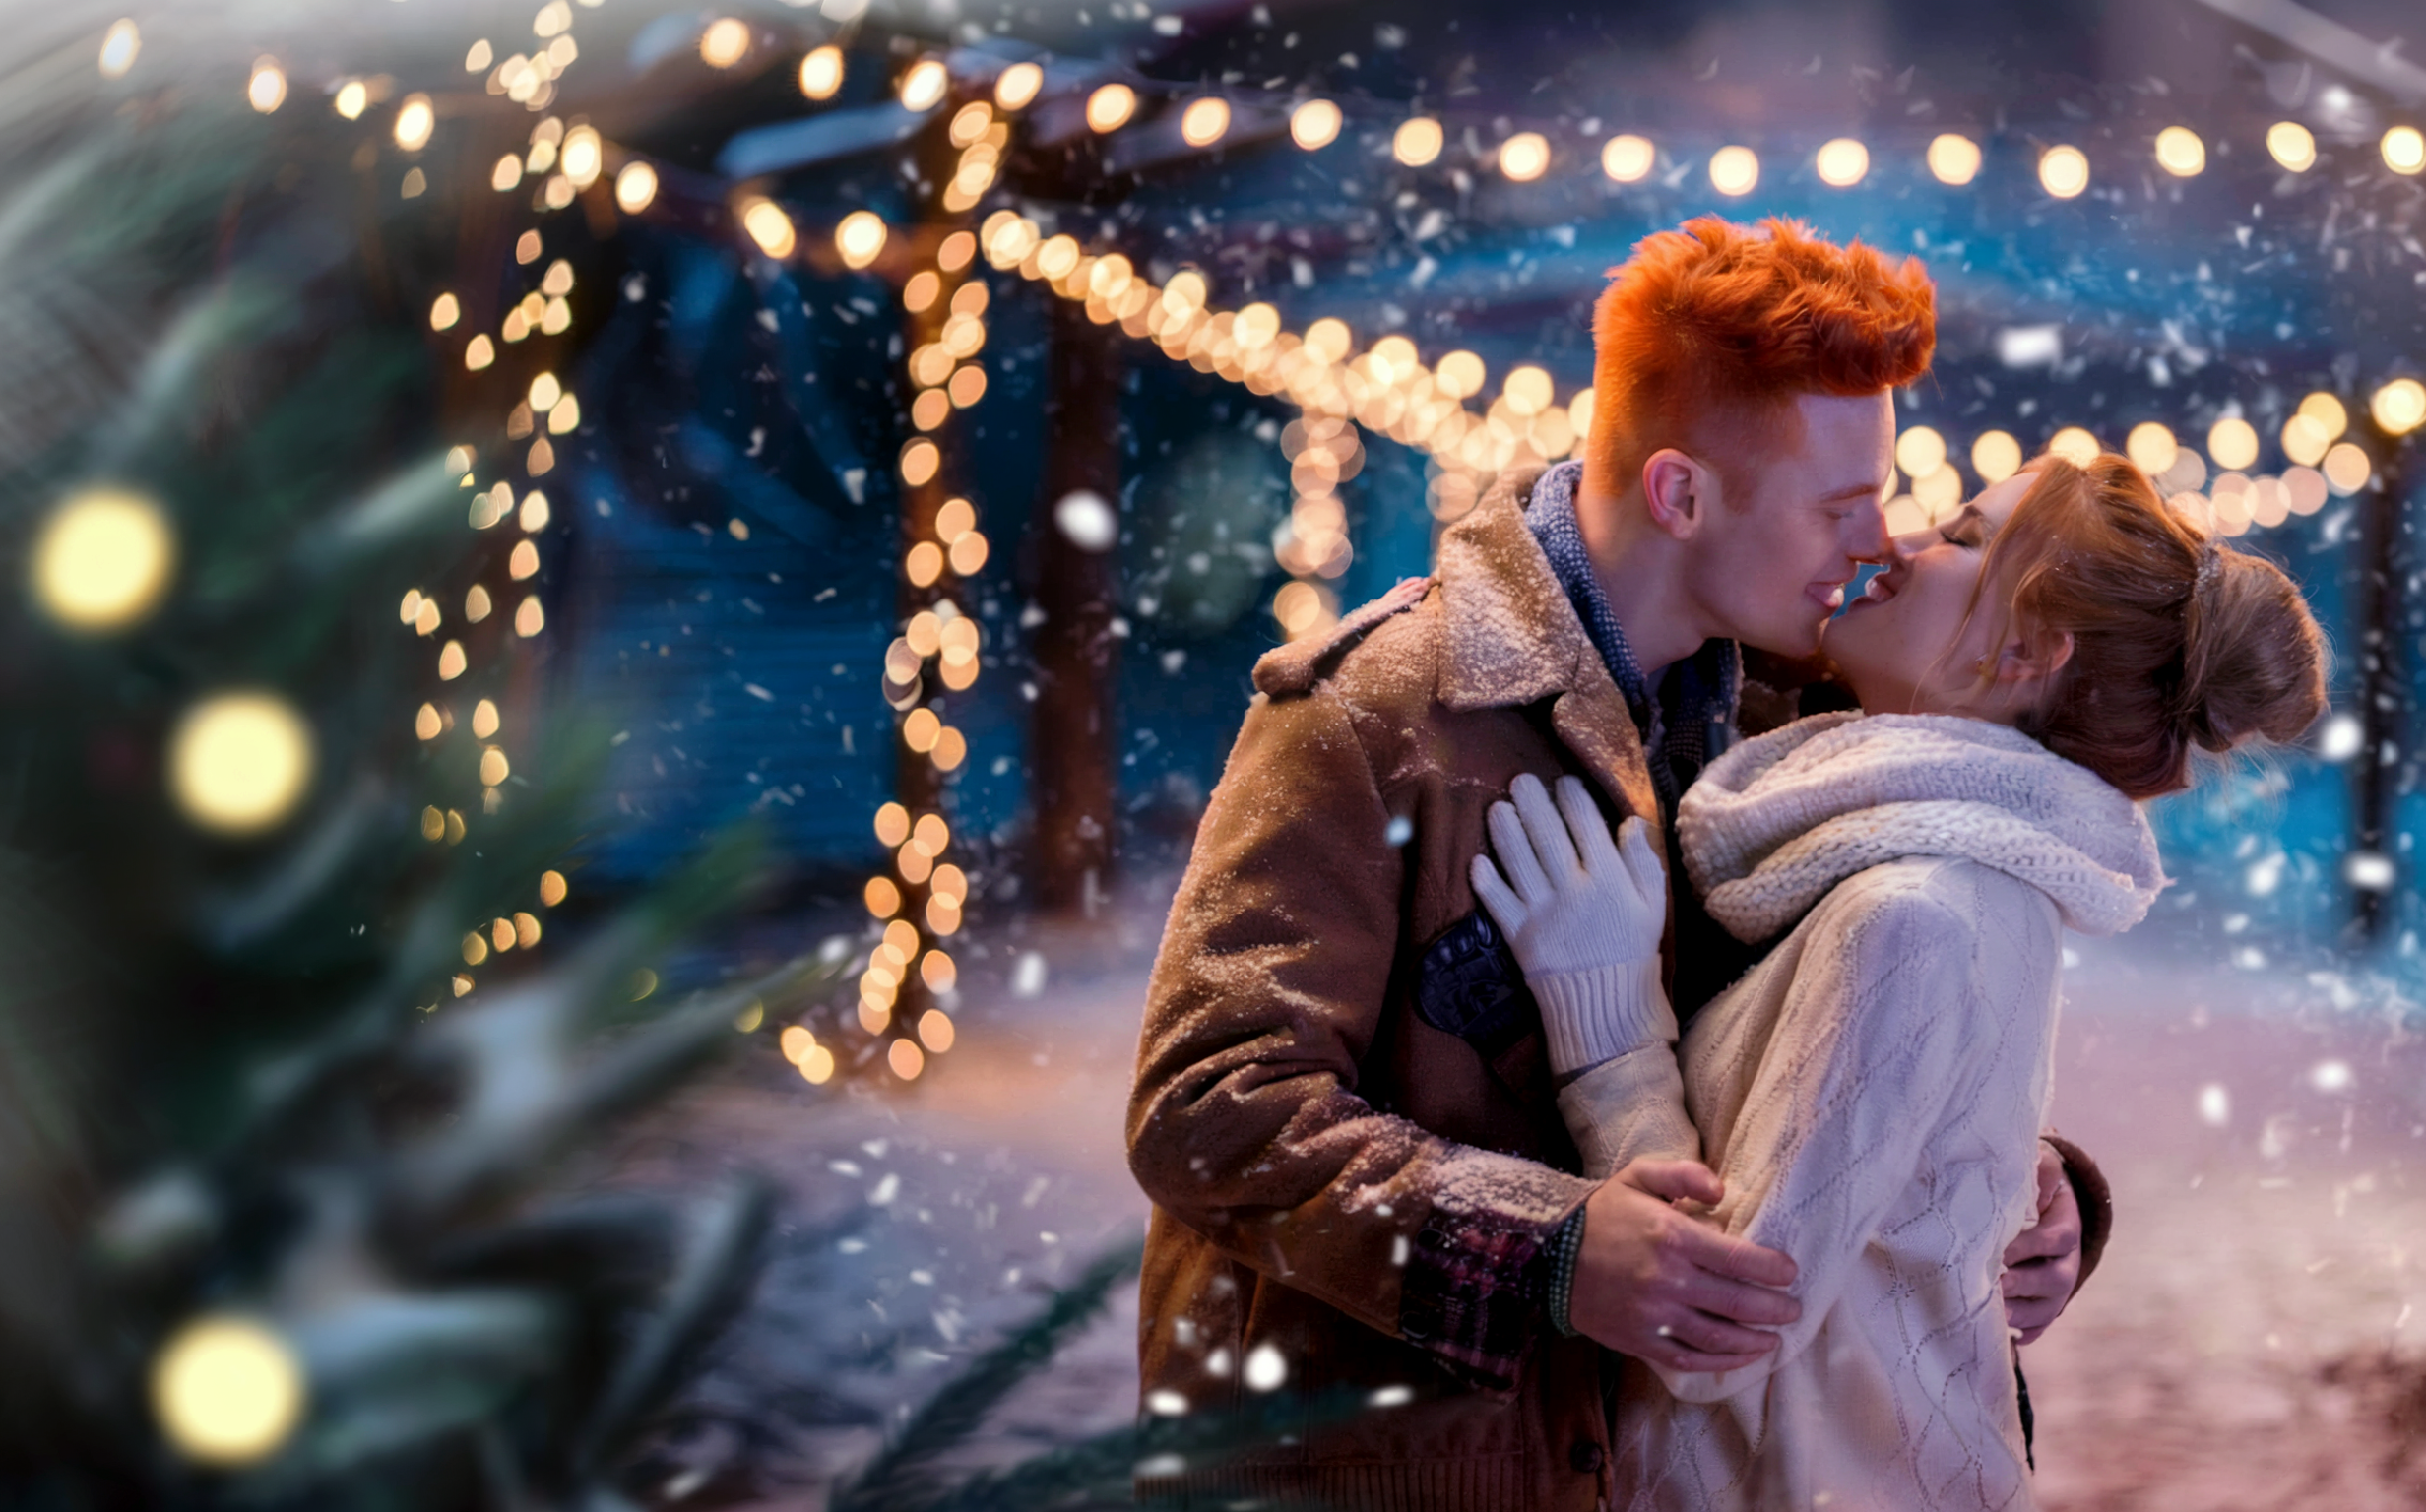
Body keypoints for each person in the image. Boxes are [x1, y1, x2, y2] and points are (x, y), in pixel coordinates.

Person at [1124, 216, 2102, 1511]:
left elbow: (1812, 1044)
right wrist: (1546, 1252)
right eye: (1838, 505)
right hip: (1400, 1475)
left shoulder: (1797, 722)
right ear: (1680, 495)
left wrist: (2010, 1185)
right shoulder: (1371, 715)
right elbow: (1206, 1106)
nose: (1881, 540)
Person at [1474, 451, 2328, 1508]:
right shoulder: (1960, 873)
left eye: (1961, 538)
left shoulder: (1911, 915)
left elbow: (1715, 1328)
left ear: (2024, 651)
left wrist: (1607, 1026)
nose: (1897, 541)